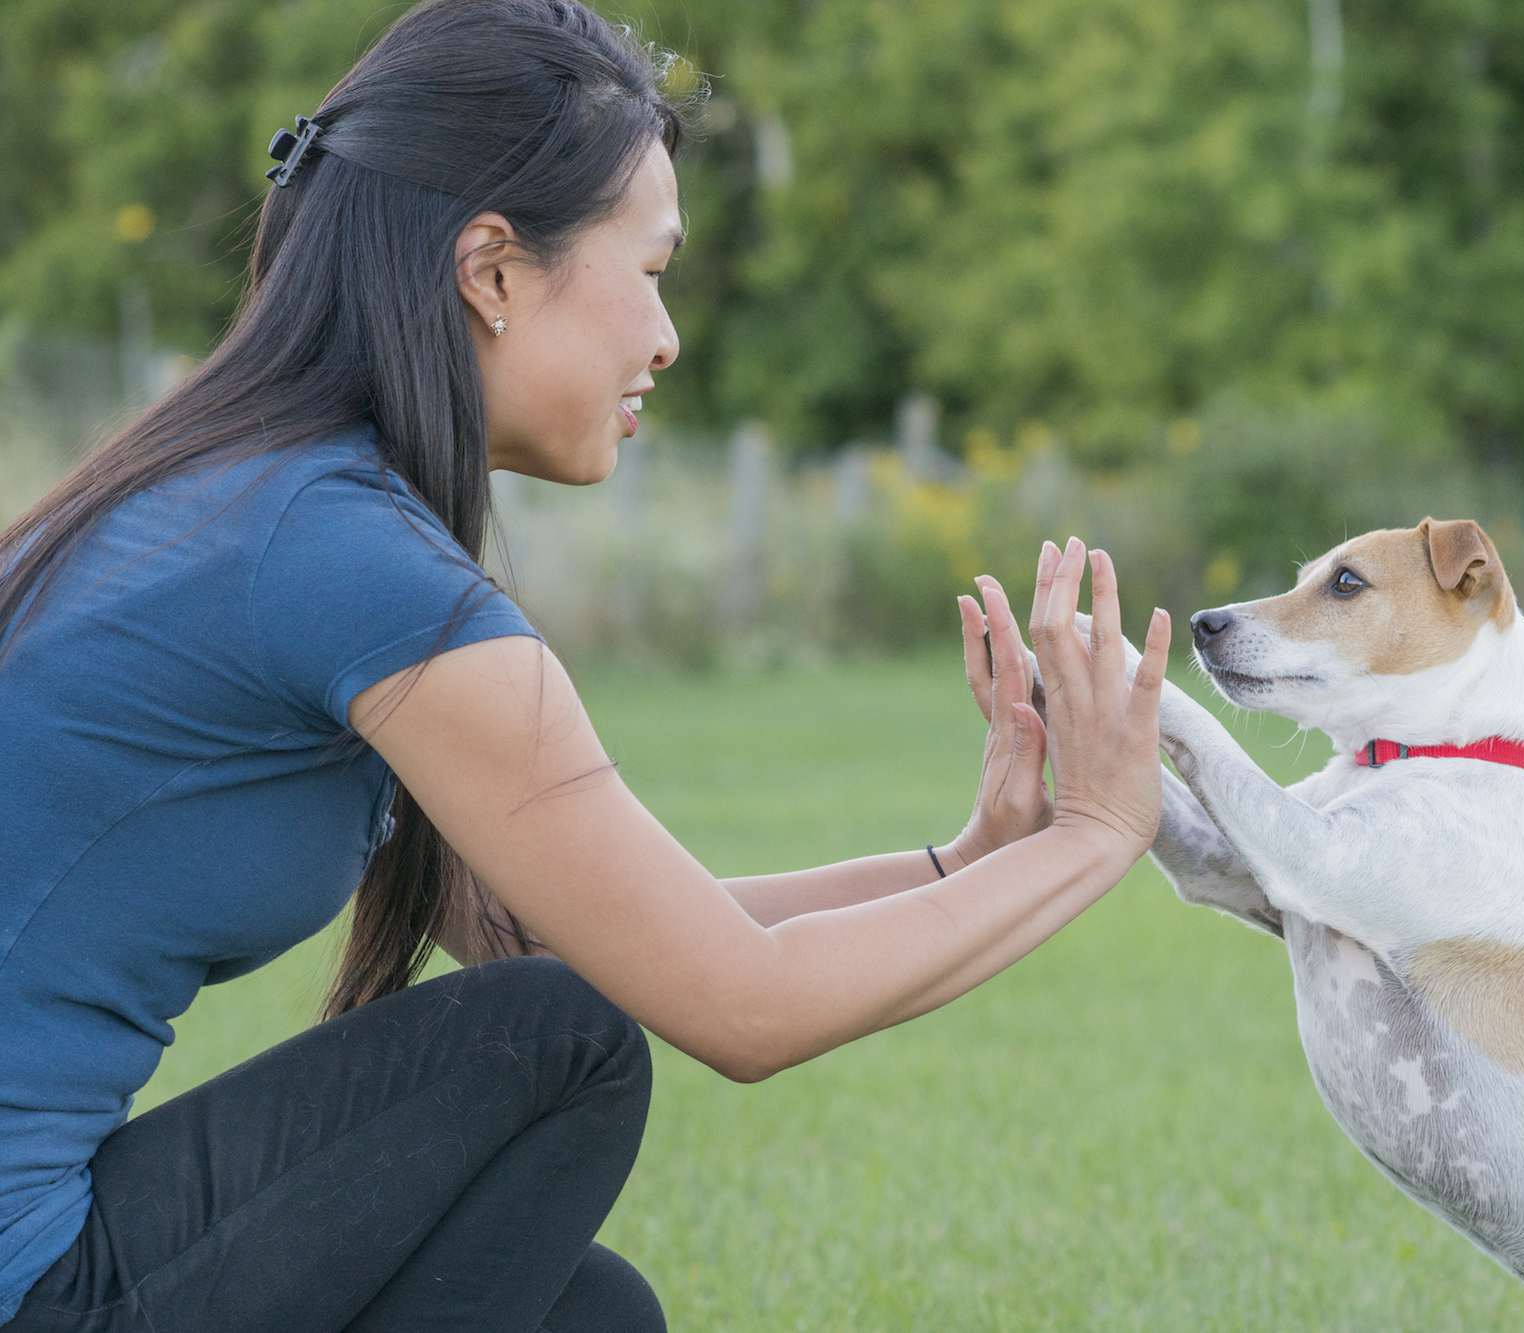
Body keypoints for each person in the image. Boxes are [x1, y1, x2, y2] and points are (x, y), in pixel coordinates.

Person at [0, 1, 1172, 1328]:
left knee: (590, 1314)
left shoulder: (249, 497)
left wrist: (977, 857)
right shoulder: (343, 563)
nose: (666, 338)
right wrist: (1093, 835)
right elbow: (740, 1004)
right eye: (654, 267)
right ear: (492, 269)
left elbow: (600, 930)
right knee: (557, 1040)